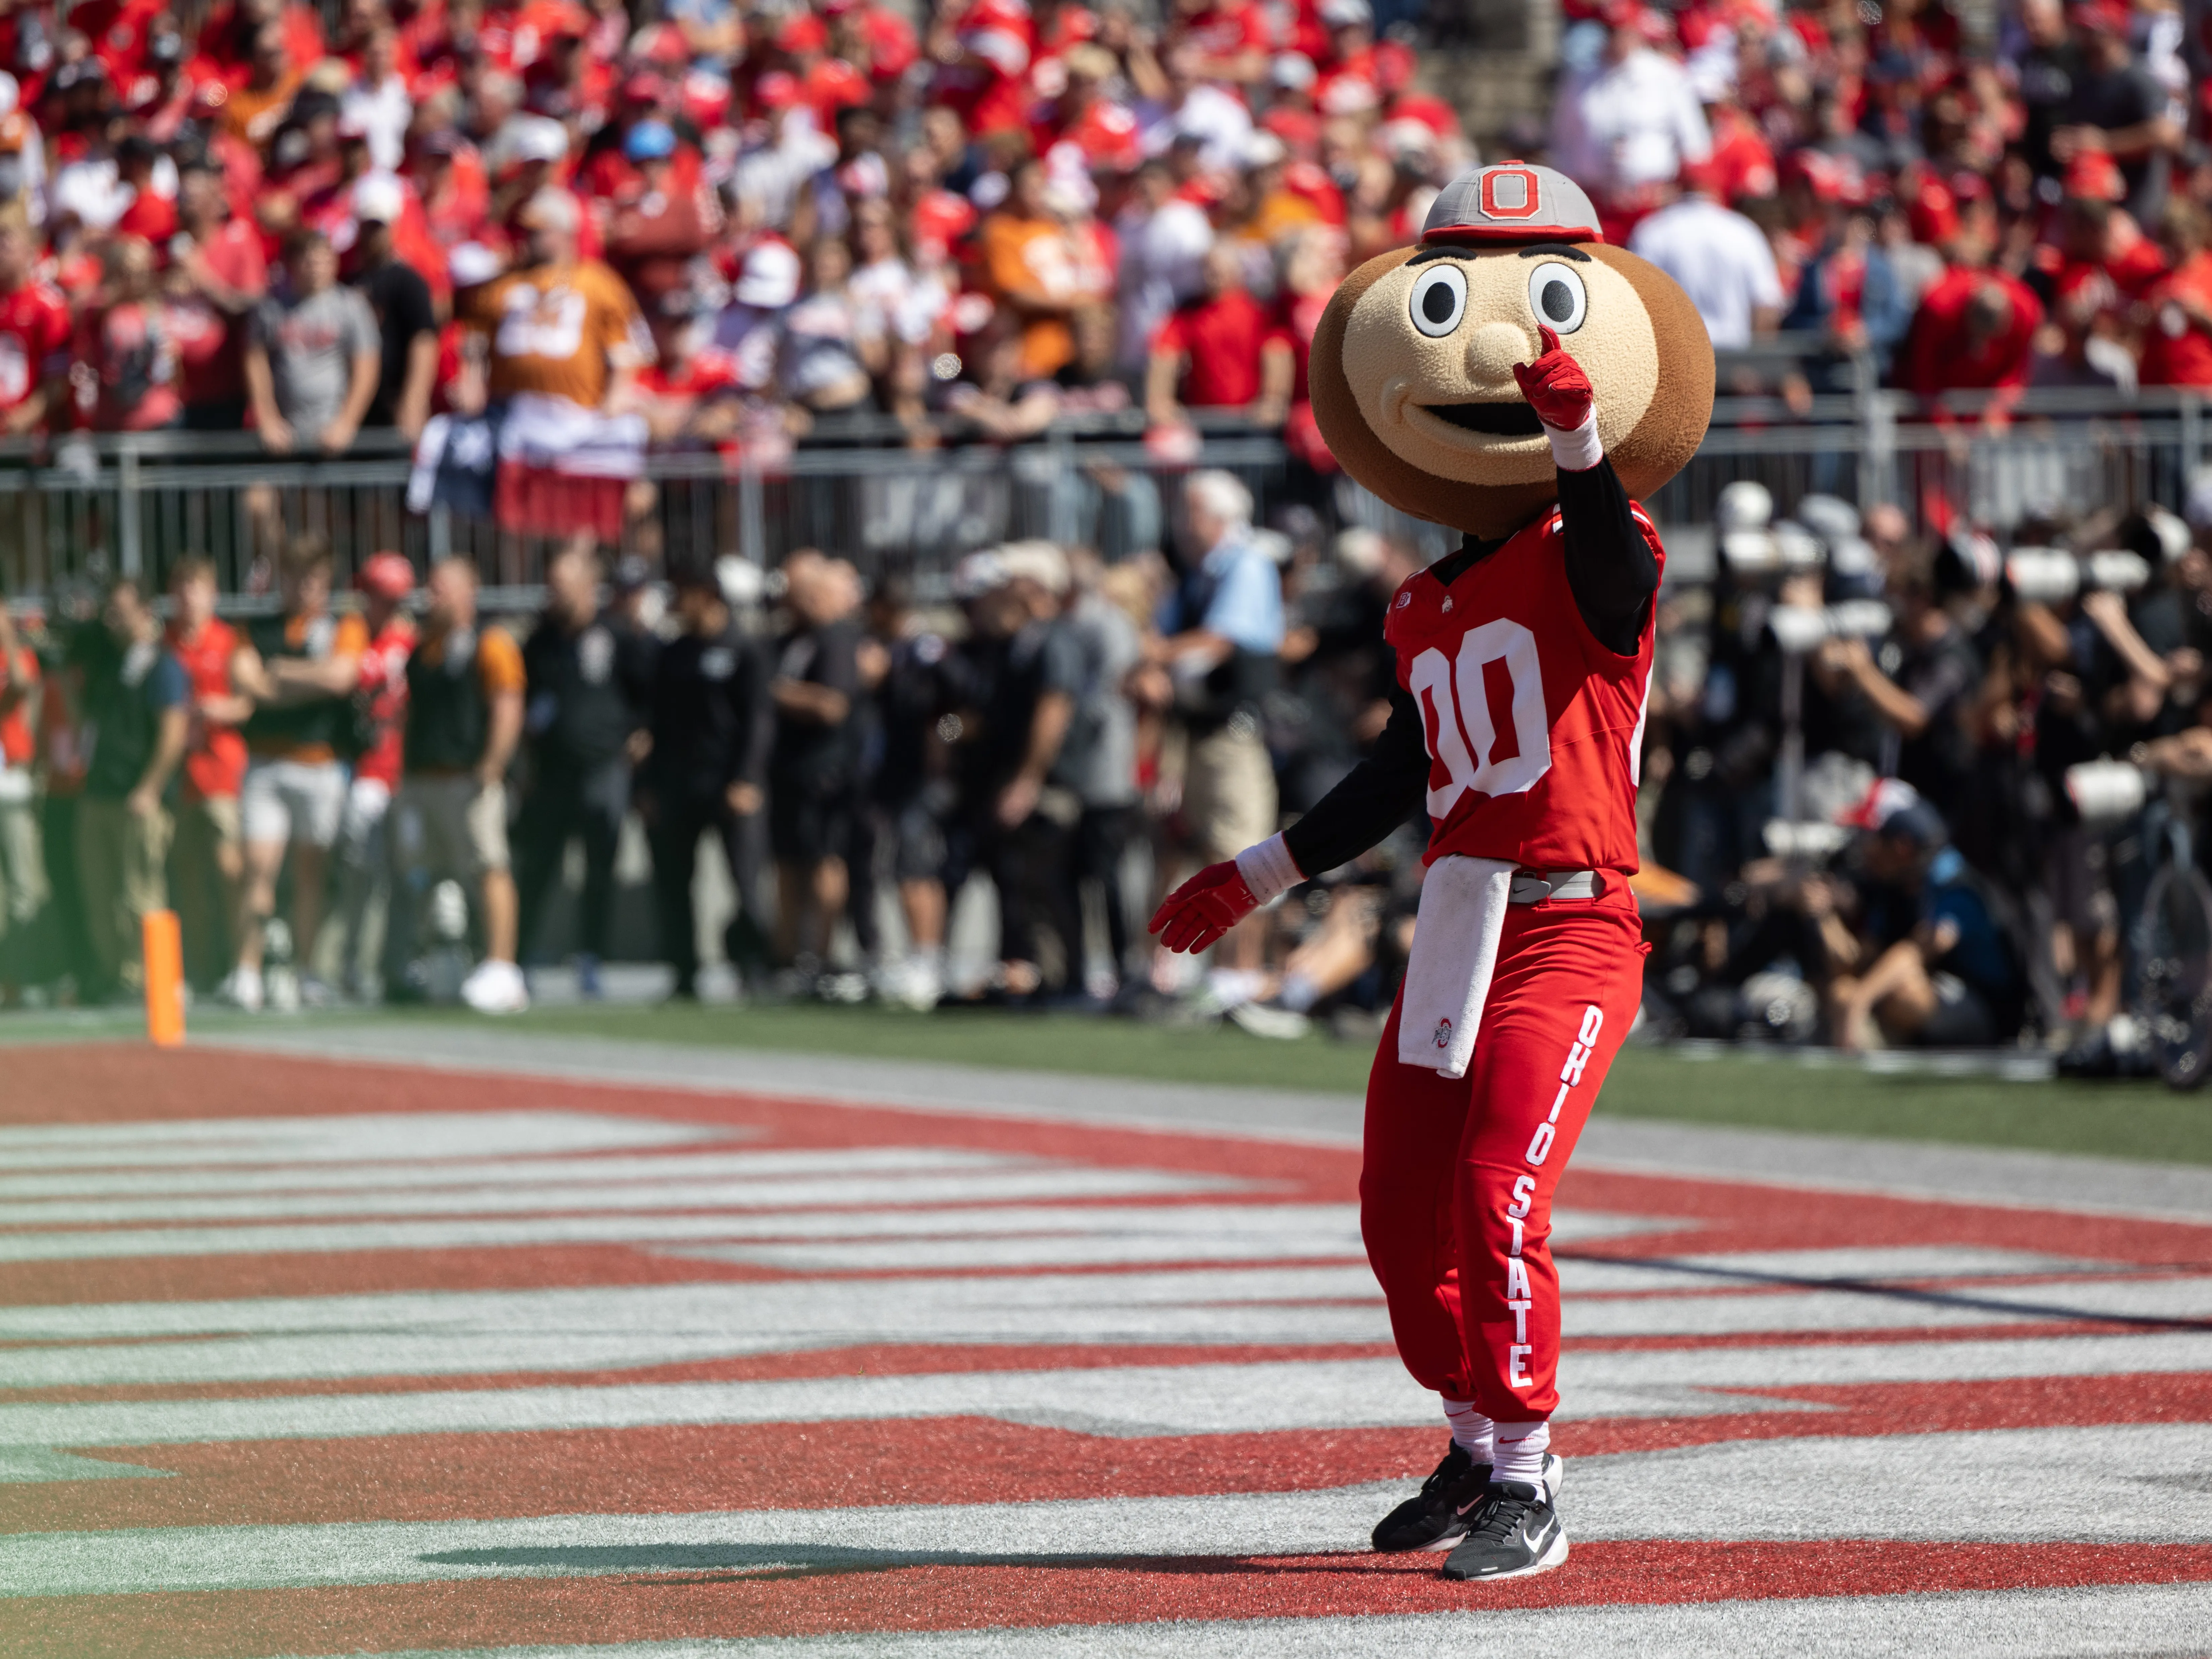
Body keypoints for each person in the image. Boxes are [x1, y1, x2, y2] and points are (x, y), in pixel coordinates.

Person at [1157, 163, 1713, 1583]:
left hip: (1572, 913)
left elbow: (1615, 582)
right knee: (1399, 1213)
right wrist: (1257, 871)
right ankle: (1471, 1434)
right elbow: (1405, 770)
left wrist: (1580, 443)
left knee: (1495, 1195)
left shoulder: (1595, 543)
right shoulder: (1423, 599)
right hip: (1457, 920)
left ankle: (1531, 1471)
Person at [225, 536, 368, 1010]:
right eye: (295, 576)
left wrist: (284, 672)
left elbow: (342, 677)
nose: (303, 586)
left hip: (319, 763)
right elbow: (248, 682)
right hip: (266, 763)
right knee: (258, 869)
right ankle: (246, 970)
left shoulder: (343, 625)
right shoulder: (258, 625)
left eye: (313, 578)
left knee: (312, 873)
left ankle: (306, 969)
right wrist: (306, 680)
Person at [1157, 470, 1283, 979]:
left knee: (1241, 847)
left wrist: (1155, 657)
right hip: (1196, 731)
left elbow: (1219, 642)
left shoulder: (1245, 567)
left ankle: (1239, 973)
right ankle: (1196, 971)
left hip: (1234, 732)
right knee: (1191, 845)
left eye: (1192, 513)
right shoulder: (1197, 574)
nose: (1183, 526)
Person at [517, 536, 654, 997]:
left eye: (564, 583)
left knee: (599, 868)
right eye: (551, 583)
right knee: (538, 866)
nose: (555, 592)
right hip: (552, 773)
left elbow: (648, 692)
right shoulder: (541, 641)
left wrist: (641, 733)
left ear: (589, 584)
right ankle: (521, 957)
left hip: (602, 769)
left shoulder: (615, 635)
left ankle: (591, 957)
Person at [390, 557, 528, 1013]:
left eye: (442, 589)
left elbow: (508, 705)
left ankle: (503, 966)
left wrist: (491, 766)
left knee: (488, 865)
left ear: (469, 592)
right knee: (430, 872)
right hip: (424, 778)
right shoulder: (423, 647)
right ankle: (439, 960)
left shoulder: (490, 643)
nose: (432, 599)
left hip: (467, 778)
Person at [637, 562, 773, 1001]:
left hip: (728, 783)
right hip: (679, 784)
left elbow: (758, 720)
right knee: (675, 883)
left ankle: (753, 967)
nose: (677, 604)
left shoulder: (744, 648)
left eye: (684, 594)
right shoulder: (673, 653)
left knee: (745, 882)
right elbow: (655, 723)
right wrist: (649, 784)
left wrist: (747, 777)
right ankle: (683, 969)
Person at [70, 577, 188, 1001]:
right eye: (109, 610)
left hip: (137, 797)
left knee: (141, 893)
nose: (111, 619)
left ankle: (149, 979)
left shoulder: (162, 665)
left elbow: (173, 733)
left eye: (121, 610)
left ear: (145, 613)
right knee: (100, 895)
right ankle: (114, 974)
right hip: (99, 792)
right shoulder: (107, 663)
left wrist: (151, 788)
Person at [769, 552, 864, 982]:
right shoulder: (792, 641)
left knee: (909, 869)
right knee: (791, 861)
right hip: (798, 770)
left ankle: (919, 959)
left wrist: (949, 738)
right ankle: (790, 955)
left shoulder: (847, 641)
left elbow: (947, 716)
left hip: (855, 774)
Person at [330, 553, 417, 998]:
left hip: (405, 773)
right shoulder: (351, 634)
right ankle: (352, 965)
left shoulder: (411, 640)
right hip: (363, 770)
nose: (386, 606)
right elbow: (346, 679)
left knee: (408, 876)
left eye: (393, 598)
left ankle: (399, 965)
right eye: (379, 597)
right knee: (359, 870)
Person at [164, 557, 250, 990]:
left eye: (196, 587)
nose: (188, 597)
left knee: (229, 868)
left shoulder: (229, 639)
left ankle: (241, 966)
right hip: (179, 775)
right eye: (181, 588)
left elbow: (248, 698)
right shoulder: (167, 642)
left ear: (212, 593)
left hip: (220, 770)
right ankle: (197, 968)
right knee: (187, 873)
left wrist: (221, 708)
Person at [1625, 163, 1784, 350]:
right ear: (1716, 189)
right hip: (1735, 358)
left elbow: (1634, 304)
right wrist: (1757, 364)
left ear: (1678, 188)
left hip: (1677, 358)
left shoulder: (1653, 231)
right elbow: (1766, 307)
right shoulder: (1743, 231)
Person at [347, 174, 440, 440]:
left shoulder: (409, 281)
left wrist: (414, 401)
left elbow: (423, 341)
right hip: (357, 407)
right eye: (368, 226)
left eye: (380, 226)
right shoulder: (349, 280)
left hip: (393, 402)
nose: (373, 234)